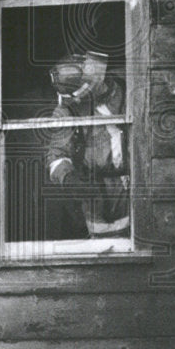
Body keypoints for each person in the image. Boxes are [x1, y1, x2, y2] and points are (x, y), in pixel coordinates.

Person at [45, 51, 130, 239]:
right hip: (97, 191)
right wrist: (70, 179)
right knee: (105, 246)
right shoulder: (67, 109)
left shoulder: (130, 89)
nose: (78, 102)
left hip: (139, 182)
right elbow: (56, 155)